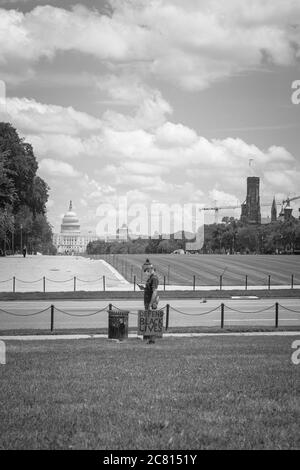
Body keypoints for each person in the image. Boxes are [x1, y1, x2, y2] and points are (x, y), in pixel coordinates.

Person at [143, 263, 159, 344]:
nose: (146, 272)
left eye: (147, 270)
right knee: (148, 320)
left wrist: (150, 304)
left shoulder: (154, 278)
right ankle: (148, 337)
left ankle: (152, 339)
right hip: (148, 301)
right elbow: (150, 289)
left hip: (151, 302)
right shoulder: (150, 278)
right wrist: (144, 288)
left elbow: (155, 292)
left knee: (151, 320)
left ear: (151, 269)